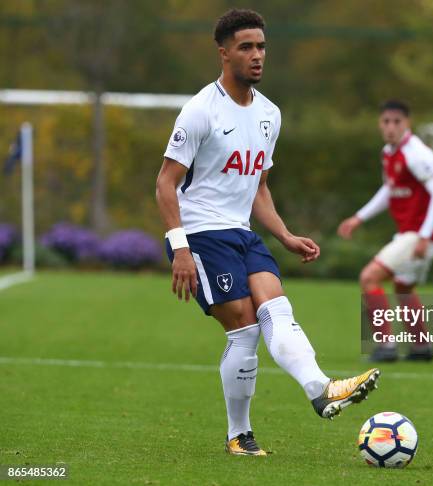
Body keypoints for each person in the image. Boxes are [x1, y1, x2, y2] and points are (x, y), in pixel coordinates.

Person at [155, 9, 380, 457]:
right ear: (223, 54)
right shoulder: (200, 110)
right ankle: (239, 434)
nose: (257, 56)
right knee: (243, 328)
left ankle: (321, 389)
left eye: (261, 47)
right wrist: (179, 248)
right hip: (200, 234)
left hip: (242, 233)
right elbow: (165, 181)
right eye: (246, 47)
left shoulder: (269, 115)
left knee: (276, 307)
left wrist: (284, 235)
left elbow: (258, 186)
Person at [337, 100, 433, 363]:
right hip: (418, 235)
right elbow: (389, 190)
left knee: (369, 278)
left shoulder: (417, 154)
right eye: (385, 122)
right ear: (380, 124)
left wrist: (423, 235)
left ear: (407, 123)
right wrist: (359, 218)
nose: (390, 127)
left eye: (396, 122)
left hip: (419, 235)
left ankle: (386, 347)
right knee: (403, 287)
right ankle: (421, 347)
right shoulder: (389, 152)